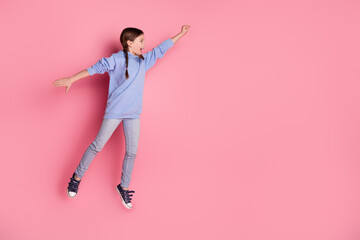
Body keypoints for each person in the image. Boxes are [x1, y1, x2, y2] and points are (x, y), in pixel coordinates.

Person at [53, 25, 190, 209]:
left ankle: (123, 187)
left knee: (132, 153)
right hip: (115, 112)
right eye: (141, 41)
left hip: (133, 115)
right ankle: (76, 178)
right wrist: (71, 79)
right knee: (97, 146)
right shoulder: (116, 60)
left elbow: (161, 49)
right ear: (129, 43)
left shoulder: (144, 61)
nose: (144, 44)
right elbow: (94, 69)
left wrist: (180, 34)